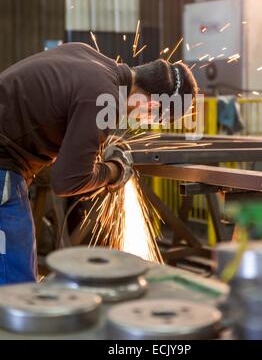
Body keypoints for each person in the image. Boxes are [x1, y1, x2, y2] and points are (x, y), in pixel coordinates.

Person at [0, 42, 198, 284]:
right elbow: (69, 181)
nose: (141, 121)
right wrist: (114, 171)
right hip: (3, 164)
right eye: (149, 118)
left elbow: (63, 111)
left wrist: (99, 147)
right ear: (151, 105)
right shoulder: (105, 98)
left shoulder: (87, 55)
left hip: (9, 156)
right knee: (16, 283)